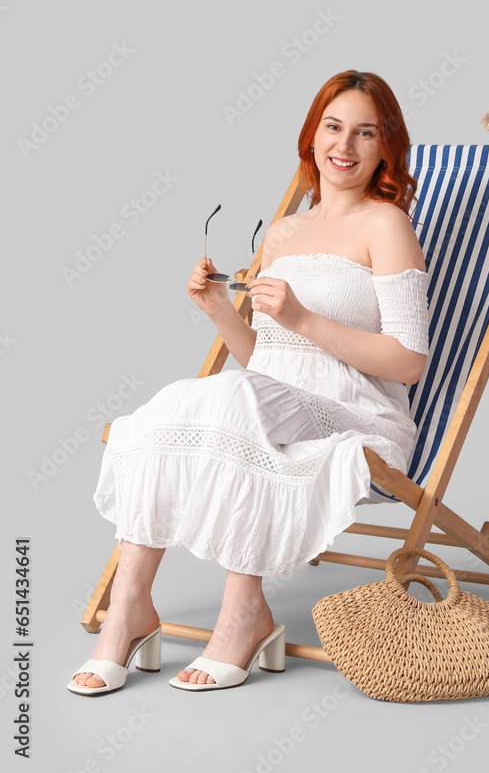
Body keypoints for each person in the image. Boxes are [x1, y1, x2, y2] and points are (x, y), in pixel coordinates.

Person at [67, 69, 430, 694]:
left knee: (229, 400)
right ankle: (130, 606)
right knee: (174, 406)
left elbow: (408, 362)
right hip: (277, 398)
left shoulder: (386, 225)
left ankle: (244, 615)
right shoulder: (284, 229)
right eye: (333, 127)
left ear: (386, 146)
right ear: (311, 137)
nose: (345, 145)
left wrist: (304, 317)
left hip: (356, 410)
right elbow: (266, 361)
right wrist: (216, 311)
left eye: (365, 133)